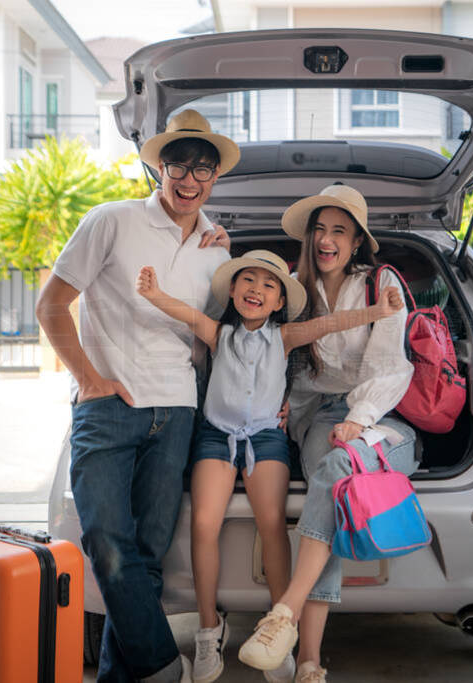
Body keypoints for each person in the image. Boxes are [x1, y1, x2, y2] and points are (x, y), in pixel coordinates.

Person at [35, 108, 239, 683]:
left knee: (147, 559)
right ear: (159, 167)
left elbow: (221, 339)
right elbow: (50, 306)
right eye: (178, 163)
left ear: (215, 177)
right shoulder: (111, 220)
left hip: (175, 413)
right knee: (106, 542)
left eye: (203, 168)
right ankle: (159, 664)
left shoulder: (217, 253)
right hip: (108, 409)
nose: (189, 178)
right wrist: (89, 381)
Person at [136, 250, 403, 683]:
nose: (256, 289)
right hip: (216, 436)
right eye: (248, 280)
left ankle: (279, 629)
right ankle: (208, 627)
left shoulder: (286, 336)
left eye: (268, 283)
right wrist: (152, 293)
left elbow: (329, 324)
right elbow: (184, 313)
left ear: (280, 301)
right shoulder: (219, 333)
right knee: (204, 524)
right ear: (233, 291)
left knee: (272, 524)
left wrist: (377, 310)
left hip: (265, 438)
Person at [236, 185, 419, 683]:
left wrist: (358, 419)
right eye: (320, 229)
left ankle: (285, 618)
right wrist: (277, 403)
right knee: (332, 483)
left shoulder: (380, 285)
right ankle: (308, 663)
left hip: (384, 415)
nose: (326, 239)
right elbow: (279, 355)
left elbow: (390, 369)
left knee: (337, 470)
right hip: (317, 413)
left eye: (339, 230)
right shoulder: (292, 289)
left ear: (357, 241)